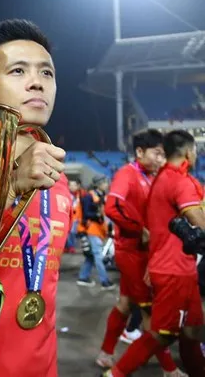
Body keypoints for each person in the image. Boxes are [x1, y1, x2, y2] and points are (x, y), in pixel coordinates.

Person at [0, 19, 69, 377]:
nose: (36, 82)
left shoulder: (58, 178)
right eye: (18, 71)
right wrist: (10, 187)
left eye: (46, 73)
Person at [105, 130, 205, 376]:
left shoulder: (161, 178)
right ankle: (115, 373)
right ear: (189, 152)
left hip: (172, 264)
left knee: (192, 330)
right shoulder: (176, 181)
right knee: (161, 332)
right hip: (170, 267)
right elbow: (197, 218)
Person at [76, 176, 116, 290]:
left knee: (91, 256)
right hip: (91, 229)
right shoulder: (89, 196)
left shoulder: (101, 196)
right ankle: (104, 281)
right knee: (98, 255)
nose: (106, 185)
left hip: (98, 230)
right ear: (98, 184)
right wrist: (97, 215)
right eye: (104, 183)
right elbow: (86, 214)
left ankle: (83, 277)